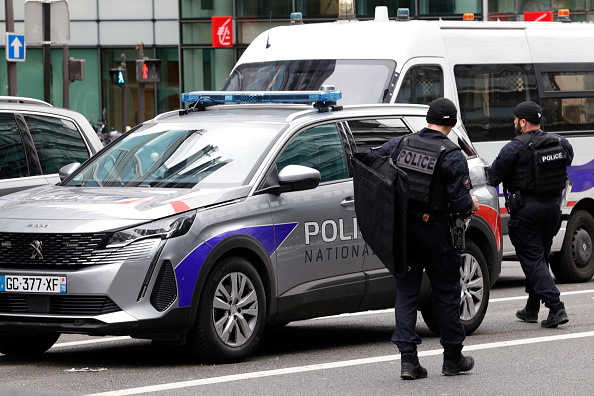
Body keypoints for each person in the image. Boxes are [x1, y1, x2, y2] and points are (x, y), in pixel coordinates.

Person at [369, 98, 479, 380]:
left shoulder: (401, 144)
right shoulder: (453, 155)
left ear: (427, 119)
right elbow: (461, 203)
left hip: (404, 231)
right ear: (452, 124)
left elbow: (371, 161)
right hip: (437, 233)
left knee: (406, 294)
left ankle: (409, 362)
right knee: (446, 293)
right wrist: (473, 202)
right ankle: (452, 358)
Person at [491, 101, 574, 328]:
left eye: (516, 119)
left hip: (526, 212)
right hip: (552, 211)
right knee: (540, 258)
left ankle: (556, 307)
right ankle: (531, 308)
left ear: (523, 122)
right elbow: (569, 158)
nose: (514, 123)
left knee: (532, 261)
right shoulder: (560, 142)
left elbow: (494, 176)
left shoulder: (514, 147)